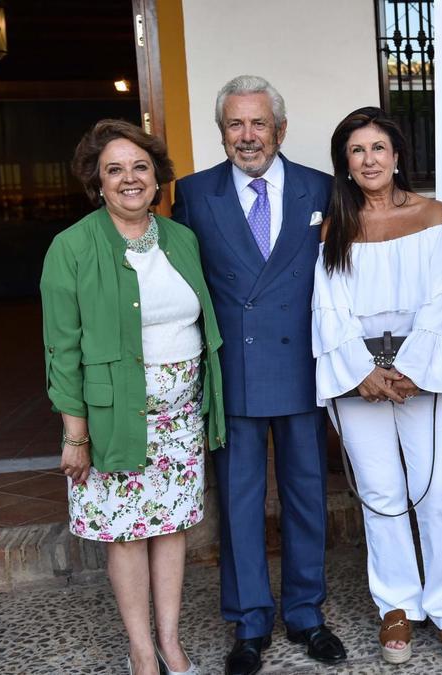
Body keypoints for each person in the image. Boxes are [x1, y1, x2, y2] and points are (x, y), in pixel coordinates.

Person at [171, 75, 346, 674]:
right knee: (240, 502)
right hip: (234, 373)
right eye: (235, 125)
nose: (248, 136)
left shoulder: (321, 189)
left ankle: (305, 614)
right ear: (221, 132)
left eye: (258, 123)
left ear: (281, 129)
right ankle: (249, 623)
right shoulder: (192, 195)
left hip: (302, 366)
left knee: (306, 497)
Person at [41, 119, 225, 675]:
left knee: (170, 527)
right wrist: (76, 435)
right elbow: (61, 349)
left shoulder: (181, 239)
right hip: (113, 418)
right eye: (114, 169)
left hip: (180, 416)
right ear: (97, 181)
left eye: (140, 167)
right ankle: (142, 652)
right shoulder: (70, 247)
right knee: (125, 534)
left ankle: (170, 641)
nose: (129, 179)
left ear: (157, 177)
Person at [312, 107, 442, 665]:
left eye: (378, 148)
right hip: (359, 376)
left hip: (423, 370)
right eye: (357, 151)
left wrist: (412, 366)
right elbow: (328, 306)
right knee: (381, 497)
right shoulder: (335, 224)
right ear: (346, 164)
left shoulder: (433, 213)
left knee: (435, 492)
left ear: (397, 155)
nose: (369, 159)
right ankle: (396, 607)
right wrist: (363, 372)